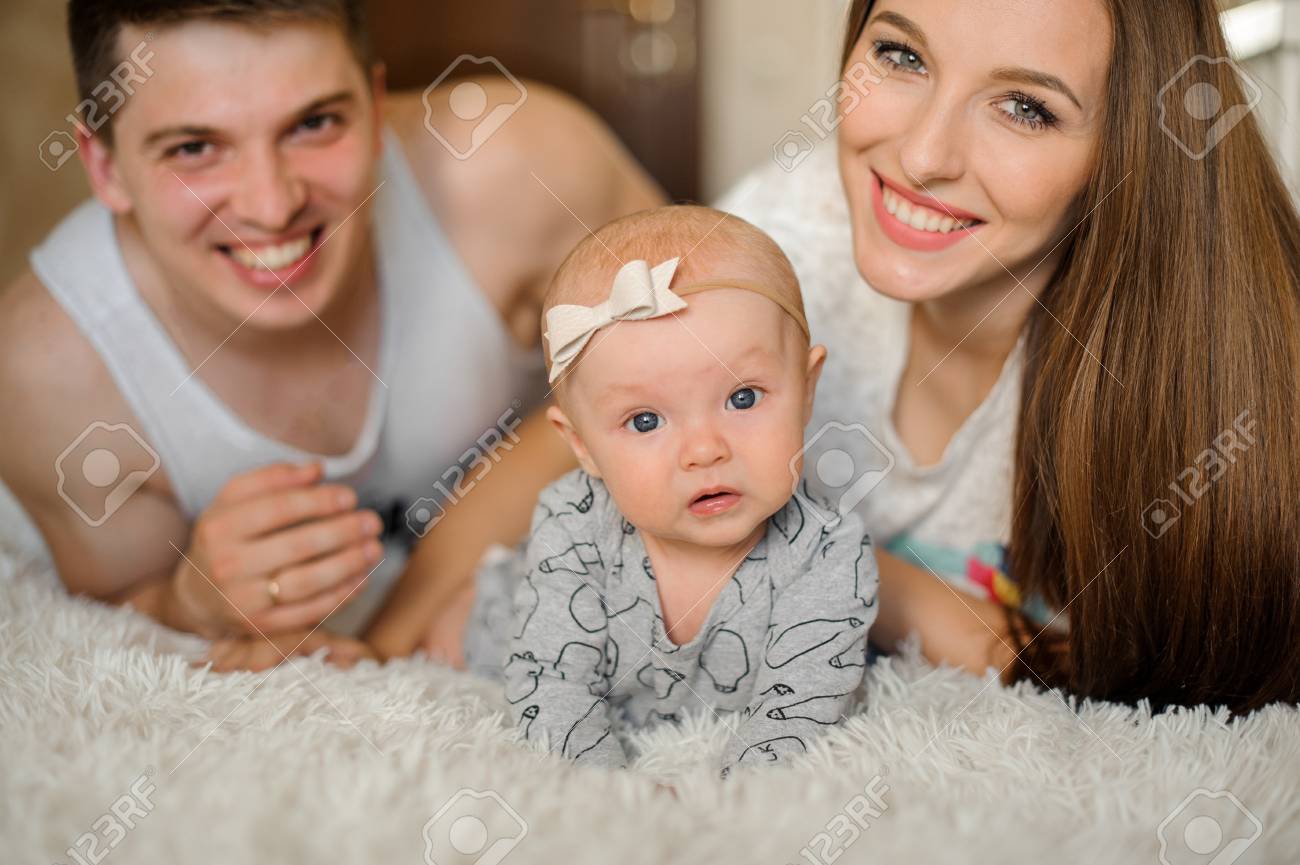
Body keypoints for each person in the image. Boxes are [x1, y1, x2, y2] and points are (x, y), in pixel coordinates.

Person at [0, 0, 663, 668]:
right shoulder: (48, 372)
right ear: (104, 166)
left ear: (375, 108)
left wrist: (391, 629)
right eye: (194, 148)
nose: (271, 204)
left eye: (314, 124)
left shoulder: (526, 169)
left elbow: (701, 368)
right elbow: (110, 612)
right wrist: (183, 601)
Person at [714, 0, 1300, 713]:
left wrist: (808, 559)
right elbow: (596, 437)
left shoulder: (1211, 393)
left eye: (1025, 107)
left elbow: (1119, 671)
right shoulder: (799, 221)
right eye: (902, 56)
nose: (922, 156)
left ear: (1129, 149)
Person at [463, 205, 877, 775]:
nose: (704, 450)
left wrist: (737, 797)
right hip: (508, 610)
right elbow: (552, 687)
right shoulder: (573, 525)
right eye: (646, 421)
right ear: (581, 444)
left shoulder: (829, 552)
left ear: (807, 389)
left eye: (743, 398)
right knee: (464, 626)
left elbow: (802, 710)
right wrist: (612, 795)